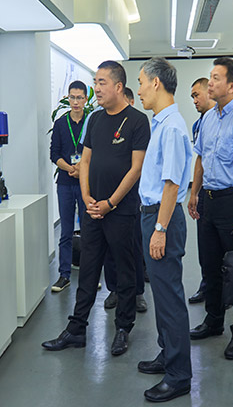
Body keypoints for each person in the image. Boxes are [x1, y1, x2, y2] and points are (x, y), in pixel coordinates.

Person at [42, 60, 150, 356]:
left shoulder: (138, 121)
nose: (96, 88)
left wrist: (110, 203)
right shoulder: (96, 120)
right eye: (95, 82)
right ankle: (76, 329)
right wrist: (88, 197)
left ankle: (123, 328)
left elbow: (136, 169)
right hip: (93, 210)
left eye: (102, 82)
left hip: (121, 211)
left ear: (118, 86)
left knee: (125, 272)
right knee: (88, 271)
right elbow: (85, 160)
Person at [187, 57, 233, 361]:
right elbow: (200, 158)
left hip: (232, 201)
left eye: (216, 78)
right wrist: (194, 192)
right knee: (210, 265)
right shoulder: (208, 119)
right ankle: (214, 321)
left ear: (232, 85)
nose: (210, 83)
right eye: (211, 77)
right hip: (208, 200)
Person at [136, 57, 192, 403]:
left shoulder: (170, 127)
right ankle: (167, 353)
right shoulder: (162, 123)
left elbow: (171, 185)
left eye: (141, 82)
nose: (139, 90)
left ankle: (179, 375)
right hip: (155, 216)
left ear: (156, 83)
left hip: (162, 218)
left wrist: (160, 228)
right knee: (161, 292)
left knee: (170, 297)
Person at [102, 85, 148, 313]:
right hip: (106, 196)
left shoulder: (138, 123)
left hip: (130, 197)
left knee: (133, 246)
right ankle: (114, 289)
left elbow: (137, 167)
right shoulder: (103, 122)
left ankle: (137, 292)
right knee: (110, 248)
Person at [49, 80, 88, 292]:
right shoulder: (60, 124)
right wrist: (70, 168)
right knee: (65, 231)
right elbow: (54, 153)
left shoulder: (91, 122)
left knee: (88, 230)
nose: (75, 102)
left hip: (85, 183)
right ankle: (64, 275)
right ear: (68, 98)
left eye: (79, 97)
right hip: (65, 182)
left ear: (86, 99)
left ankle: (89, 275)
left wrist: (82, 169)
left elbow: (96, 150)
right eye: (72, 97)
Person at [188, 77, 216, 304]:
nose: (194, 100)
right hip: (204, 193)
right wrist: (194, 193)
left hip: (225, 194)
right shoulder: (198, 125)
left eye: (197, 95)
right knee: (205, 246)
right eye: (192, 97)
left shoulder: (222, 120)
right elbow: (200, 161)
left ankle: (227, 291)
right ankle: (207, 287)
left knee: (224, 248)